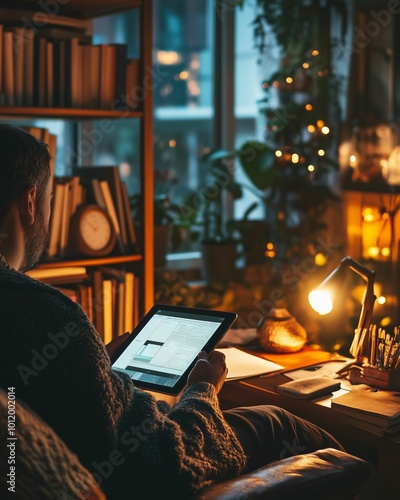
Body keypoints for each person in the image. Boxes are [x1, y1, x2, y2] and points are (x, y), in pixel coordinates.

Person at [0, 125, 344, 499]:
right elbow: (161, 464)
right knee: (283, 425)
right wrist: (201, 391)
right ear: (30, 202)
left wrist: (99, 369)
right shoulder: (49, 314)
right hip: (139, 469)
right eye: (51, 200)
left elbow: (62, 410)